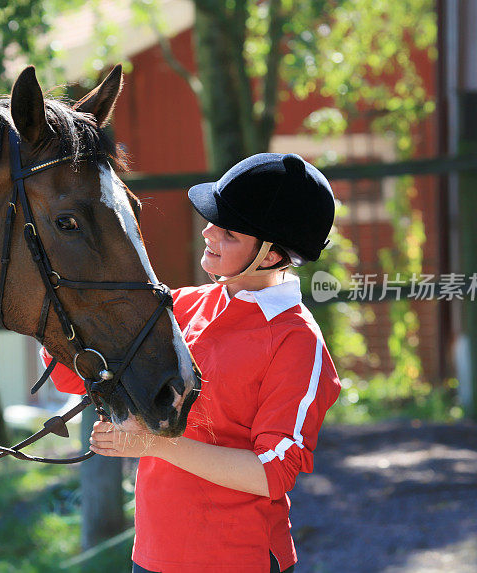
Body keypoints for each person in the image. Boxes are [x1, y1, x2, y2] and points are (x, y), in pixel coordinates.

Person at [41, 153, 341, 572]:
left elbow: (271, 473)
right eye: (213, 220)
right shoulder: (179, 306)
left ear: (272, 255)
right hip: (152, 555)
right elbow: (74, 380)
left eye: (229, 233)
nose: (208, 232)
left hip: (238, 559)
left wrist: (153, 444)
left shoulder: (297, 342)